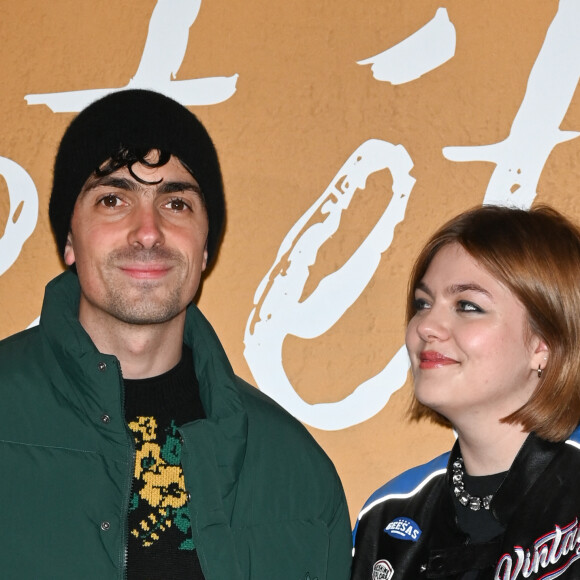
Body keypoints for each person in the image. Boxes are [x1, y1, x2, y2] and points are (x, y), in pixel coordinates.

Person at [0, 89, 352, 579]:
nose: (148, 231)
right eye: (113, 199)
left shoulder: (293, 469)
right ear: (68, 239)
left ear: (206, 249)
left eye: (177, 203)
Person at [351, 205, 580, 580]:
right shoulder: (387, 515)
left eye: (467, 306)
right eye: (423, 304)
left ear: (545, 344)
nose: (427, 326)